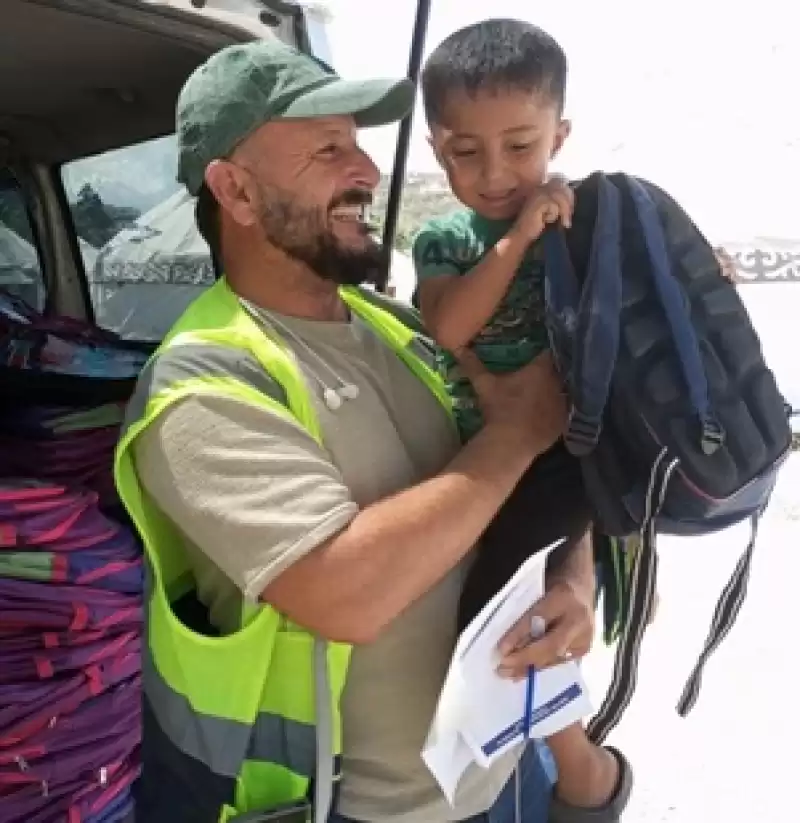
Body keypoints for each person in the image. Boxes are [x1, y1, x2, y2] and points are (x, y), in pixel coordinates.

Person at [113, 37, 598, 823]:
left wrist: (573, 587)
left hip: (498, 768)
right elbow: (345, 592)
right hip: (346, 808)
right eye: (326, 149)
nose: (367, 171)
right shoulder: (206, 383)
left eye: (360, 144)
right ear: (234, 191)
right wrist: (516, 433)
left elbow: (533, 490)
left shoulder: (402, 328)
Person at [413, 20, 633, 822]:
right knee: (510, 615)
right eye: (466, 151)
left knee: (499, 621)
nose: (496, 172)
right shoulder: (443, 238)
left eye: (520, 145)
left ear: (559, 135)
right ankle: (560, 763)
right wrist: (518, 236)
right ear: (438, 149)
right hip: (482, 454)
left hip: (561, 455)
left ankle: (576, 771)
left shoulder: (586, 223)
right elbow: (449, 328)